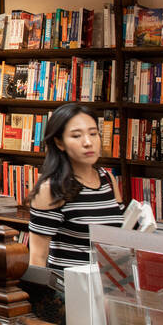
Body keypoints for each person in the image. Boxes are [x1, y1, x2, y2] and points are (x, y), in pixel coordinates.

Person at [27, 102, 124, 271]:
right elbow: (37, 258)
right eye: (76, 136)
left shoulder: (108, 179)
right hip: (69, 290)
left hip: (110, 287)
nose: (88, 142)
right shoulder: (51, 189)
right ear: (59, 143)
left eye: (93, 134)